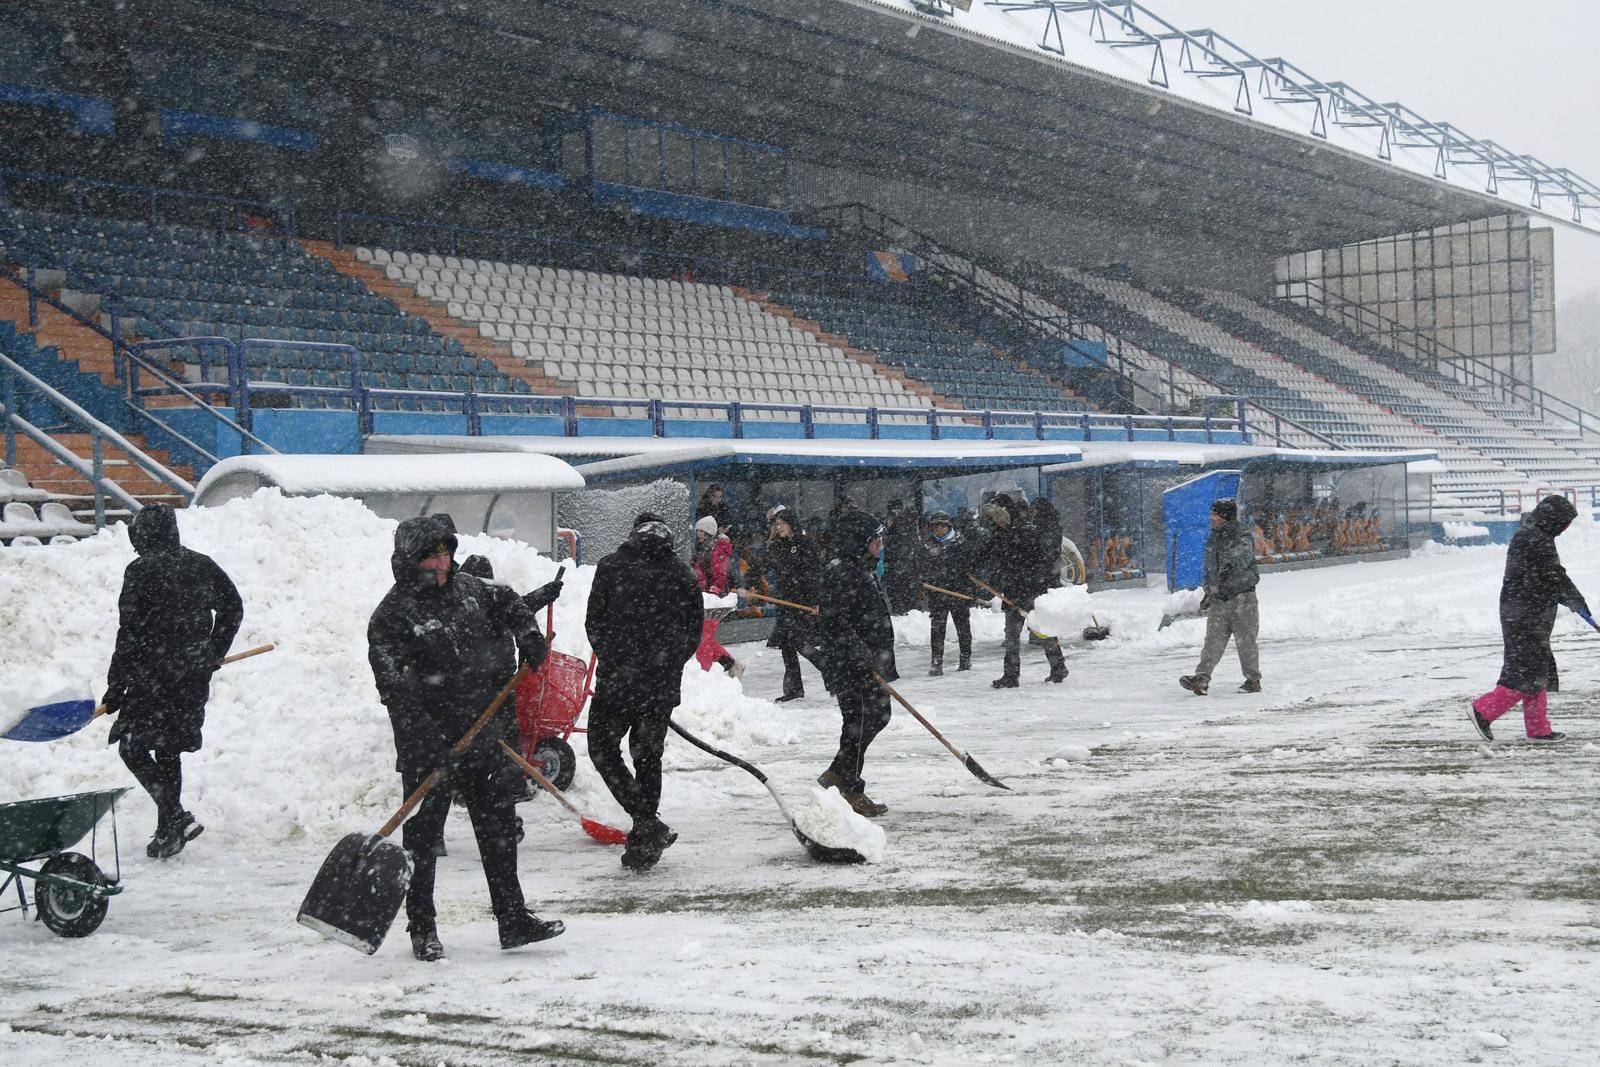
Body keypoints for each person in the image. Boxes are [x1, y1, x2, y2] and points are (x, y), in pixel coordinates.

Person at [367, 515, 562, 962]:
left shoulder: (470, 590)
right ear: (409, 560)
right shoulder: (390, 618)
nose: (442, 563)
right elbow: (395, 692)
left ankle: (512, 919)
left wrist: (529, 635)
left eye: (446, 553)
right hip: (428, 746)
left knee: (498, 829)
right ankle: (423, 928)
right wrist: (431, 743)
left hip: (481, 733)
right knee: (424, 837)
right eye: (432, 556)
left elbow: (510, 601)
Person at [102, 503, 243, 860]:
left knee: (131, 745)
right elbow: (233, 607)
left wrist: (117, 685)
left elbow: (129, 633)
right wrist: (212, 651)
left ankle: (174, 815)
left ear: (144, 534)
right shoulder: (200, 565)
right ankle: (169, 831)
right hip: (191, 676)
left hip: (153, 677)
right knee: (168, 749)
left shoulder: (140, 571)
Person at [585, 512, 705, 870]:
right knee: (648, 759)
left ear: (634, 534)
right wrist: (666, 666)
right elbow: (693, 632)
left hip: (617, 684)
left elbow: (594, 622)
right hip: (660, 687)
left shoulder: (611, 567)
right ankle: (646, 839)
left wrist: (616, 659)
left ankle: (646, 827)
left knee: (603, 749)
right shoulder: (682, 574)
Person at [1469, 495, 1591, 743]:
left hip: (1527, 613)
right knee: (1523, 673)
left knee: (1535, 671)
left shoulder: (1534, 535)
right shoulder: (1535, 539)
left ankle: (1538, 728)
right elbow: (1555, 577)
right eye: (1565, 522)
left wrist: (1576, 603)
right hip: (1524, 615)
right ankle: (1483, 710)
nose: (1566, 527)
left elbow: (1550, 577)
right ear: (1553, 519)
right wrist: (1578, 603)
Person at [816, 510, 898, 817]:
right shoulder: (842, 572)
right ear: (858, 541)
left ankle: (838, 772)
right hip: (851, 663)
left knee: (874, 717)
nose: (879, 546)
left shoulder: (861, 568)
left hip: (866, 660)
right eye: (875, 540)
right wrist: (859, 653)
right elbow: (834, 621)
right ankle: (849, 786)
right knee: (861, 722)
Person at [975, 494, 1066, 689]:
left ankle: (1058, 668)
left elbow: (1040, 563)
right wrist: (967, 566)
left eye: (999, 517)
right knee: (1012, 636)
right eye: (994, 518)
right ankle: (1011, 675)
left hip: (1031, 592)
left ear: (1007, 514)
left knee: (1042, 630)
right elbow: (984, 555)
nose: (997, 521)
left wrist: (1027, 588)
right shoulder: (999, 534)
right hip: (1013, 592)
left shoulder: (1026, 532)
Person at [1179, 499, 1262, 696]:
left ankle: (1253, 680)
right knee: (1212, 640)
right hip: (1219, 598)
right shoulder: (1213, 537)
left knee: (1246, 640)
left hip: (1242, 596)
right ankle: (1201, 678)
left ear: (1225, 516)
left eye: (1215, 514)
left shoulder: (1242, 534)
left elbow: (1242, 557)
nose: (1211, 518)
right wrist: (1209, 591)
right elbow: (1209, 567)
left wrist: (1228, 568)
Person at [762, 506, 825, 702]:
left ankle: (829, 668)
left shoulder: (805, 544)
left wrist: (815, 601)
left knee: (797, 641)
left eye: (782, 524)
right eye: (776, 524)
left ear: (791, 524)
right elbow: (764, 565)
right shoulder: (777, 546)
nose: (778, 527)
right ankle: (794, 689)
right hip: (785, 601)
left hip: (803, 601)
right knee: (786, 645)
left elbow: (814, 574)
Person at [921, 511, 973, 676]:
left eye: (942, 525)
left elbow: (971, 568)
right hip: (937, 593)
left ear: (948, 526)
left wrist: (969, 589)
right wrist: (923, 582)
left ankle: (965, 659)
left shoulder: (961, 543)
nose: (938, 528)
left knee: (963, 627)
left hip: (959, 593)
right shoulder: (928, 545)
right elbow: (921, 567)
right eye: (935, 526)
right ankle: (936, 662)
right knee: (937, 629)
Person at [692, 514, 743, 677]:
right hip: (705, 597)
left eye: (701, 531)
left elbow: (720, 576)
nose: (698, 534)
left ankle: (706, 673)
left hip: (714, 599)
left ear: (708, 532)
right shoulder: (703, 548)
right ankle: (729, 662)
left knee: (704, 638)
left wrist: (711, 595)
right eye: (697, 531)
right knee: (703, 636)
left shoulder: (718, 549)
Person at [882, 498, 923, 615]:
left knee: (905, 596)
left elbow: (907, 541)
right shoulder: (900, 522)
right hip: (898, 564)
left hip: (902, 564)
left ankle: (907, 613)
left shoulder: (904, 522)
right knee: (901, 596)